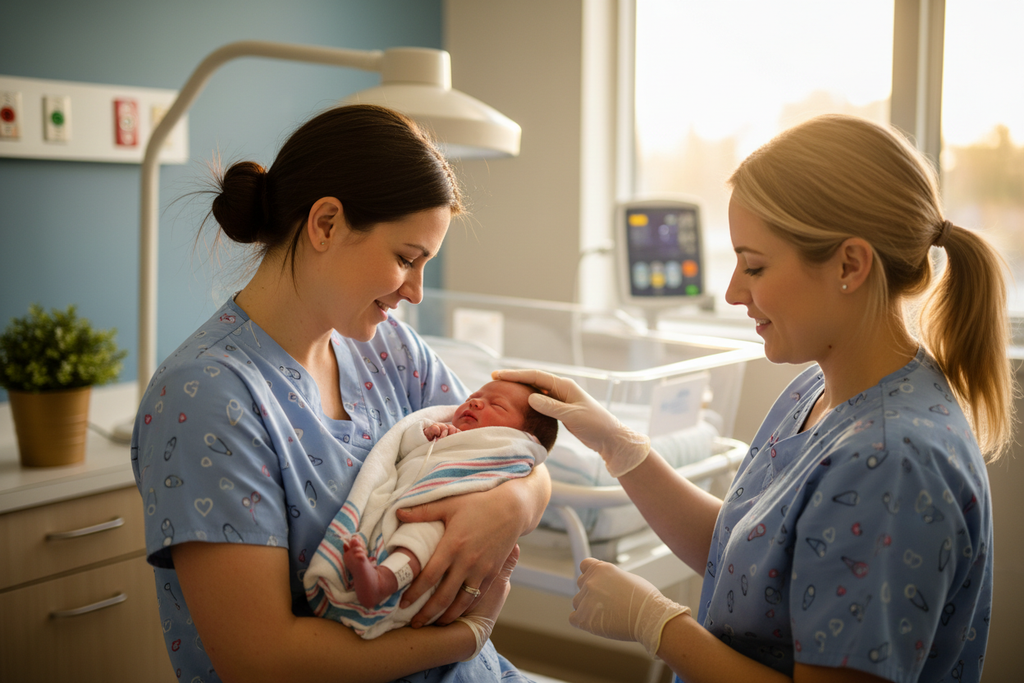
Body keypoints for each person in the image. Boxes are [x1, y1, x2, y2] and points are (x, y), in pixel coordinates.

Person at [496, 115, 1015, 683]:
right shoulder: (819, 389)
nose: (732, 292)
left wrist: (659, 626)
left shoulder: (893, 462)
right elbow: (750, 558)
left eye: (756, 266)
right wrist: (618, 446)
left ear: (850, 265)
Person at [130, 104, 551, 683]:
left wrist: (515, 504)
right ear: (325, 224)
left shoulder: (392, 352)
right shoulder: (209, 398)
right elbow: (263, 662)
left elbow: (516, 448)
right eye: (406, 259)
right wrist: (461, 637)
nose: (416, 291)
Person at [305, 380, 558, 638]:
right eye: (474, 395)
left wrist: (515, 503)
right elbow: (404, 449)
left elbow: (530, 463)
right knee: (405, 527)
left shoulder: (506, 448)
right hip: (410, 499)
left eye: (497, 405)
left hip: (452, 509)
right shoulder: (446, 429)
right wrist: (426, 434)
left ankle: (385, 580)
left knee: (426, 534)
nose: (475, 402)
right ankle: (372, 569)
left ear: (524, 436)